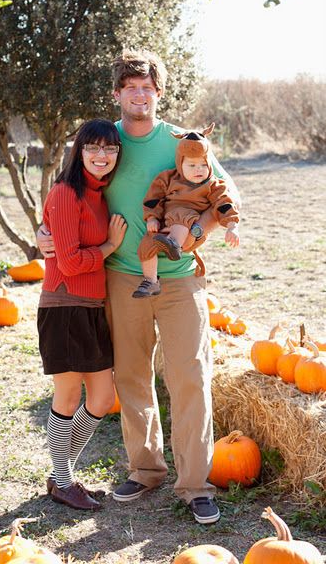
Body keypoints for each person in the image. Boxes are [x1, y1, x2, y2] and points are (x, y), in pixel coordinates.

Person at [38, 49, 241, 524]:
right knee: (130, 377)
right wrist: (45, 233)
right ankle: (145, 469)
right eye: (130, 87)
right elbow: (69, 193)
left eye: (147, 87)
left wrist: (198, 231)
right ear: (117, 93)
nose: (139, 95)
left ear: (159, 93)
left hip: (179, 279)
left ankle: (195, 485)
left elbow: (226, 195)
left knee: (190, 378)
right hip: (121, 278)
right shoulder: (105, 141)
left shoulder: (180, 141)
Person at [37, 118, 127, 511]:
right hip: (64, 306)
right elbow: (70, 265)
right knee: (69, 395)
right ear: (79, 151)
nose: (102, 156)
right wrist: (109, 246)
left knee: (104, 397)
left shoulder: (100, 195)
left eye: (110, 149)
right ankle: (62, 479)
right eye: (93, 148)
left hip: (92, 307)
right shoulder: (64, 193)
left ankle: (62, 474)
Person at [132, 122, 240, 298]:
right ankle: (151, 281)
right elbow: (153, 199)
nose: (199, 170)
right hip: (165, 224)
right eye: (192, 165)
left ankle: (174, 244)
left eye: (203, 165)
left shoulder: (213, 184)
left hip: (190, 224)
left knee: (181, 215)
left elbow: (224, 203)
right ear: (180, 164)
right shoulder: (168, 178)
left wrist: (232, 225)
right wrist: (152, 218)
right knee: (146, 244)